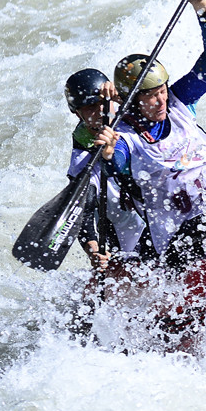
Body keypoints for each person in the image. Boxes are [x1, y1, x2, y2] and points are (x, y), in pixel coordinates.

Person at [95, 0, 206, 264]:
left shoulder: (180, 101)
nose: (161, 100)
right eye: (150, 96)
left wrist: (203, 10)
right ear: (132, 100)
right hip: (179, 247)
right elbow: (117, 164)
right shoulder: (126, 137)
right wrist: (109, 152)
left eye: (162, 90)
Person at [64, 68, 147, 269]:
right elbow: (81, 210)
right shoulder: (82, 152)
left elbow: (160, 102)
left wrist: (120, 95)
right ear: (77, 114)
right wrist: (93, 249)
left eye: (102, 103)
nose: (100, 110)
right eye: (90, 107)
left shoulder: (129, 113)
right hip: (122, 231)